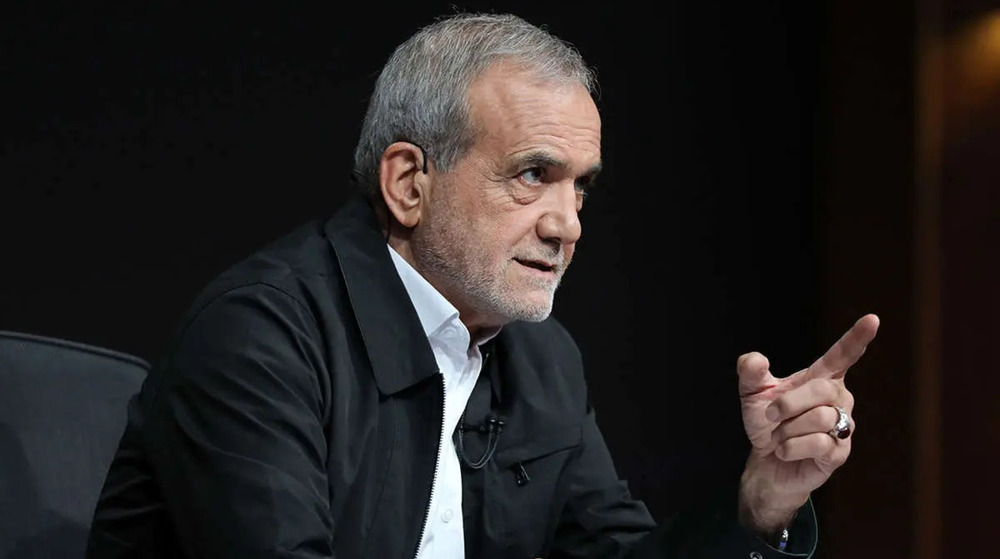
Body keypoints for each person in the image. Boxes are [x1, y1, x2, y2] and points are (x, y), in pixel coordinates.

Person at [86, 12, 879, 559]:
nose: (567, 223)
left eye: (582, 188)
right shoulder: (260, 338)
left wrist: (760, 504)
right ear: (408, 183)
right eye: (534, 175)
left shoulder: (540, 359)